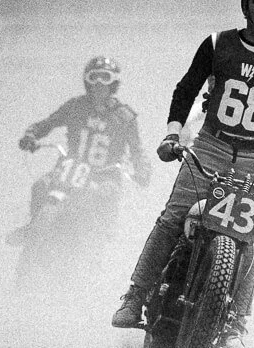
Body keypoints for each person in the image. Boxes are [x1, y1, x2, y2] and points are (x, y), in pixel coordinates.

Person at [112, 0, 254, 348]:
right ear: (245, 6)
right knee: (172, 219)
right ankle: (135, 296)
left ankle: (236, 324)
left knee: (253, 239)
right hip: (210, 146)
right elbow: (186, 88)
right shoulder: (217, 44)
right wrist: (172, 134)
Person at [10, 55, 150, 242]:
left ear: (113, 84)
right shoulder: (75, 106)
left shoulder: (124, 117)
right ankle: (33, 227)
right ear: (87, 82)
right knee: (40, 185)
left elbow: (137, 150)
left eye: (105, 78)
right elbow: (47, 124)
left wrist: (142, 170)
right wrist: (31, 135)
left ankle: (98, 243)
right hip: (70, 168)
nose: (99, 84)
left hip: (104, 174)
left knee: (105, 195)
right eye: (94, 78)